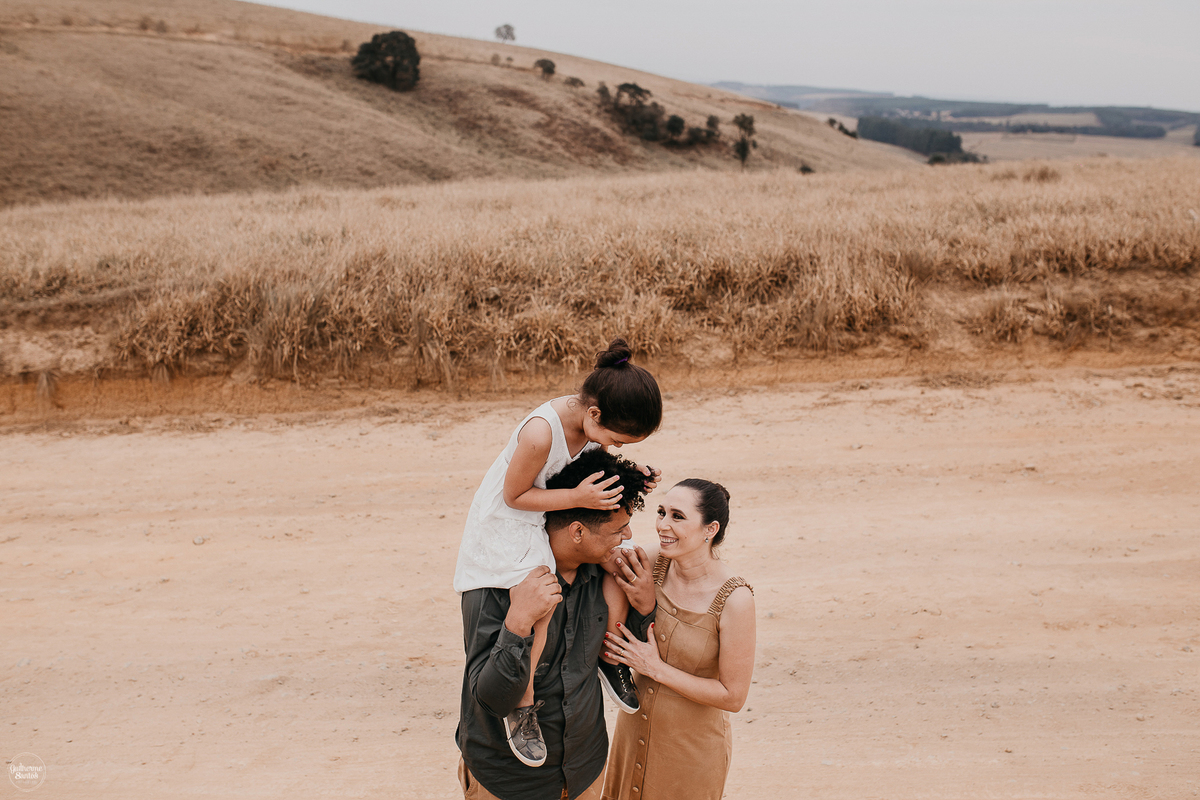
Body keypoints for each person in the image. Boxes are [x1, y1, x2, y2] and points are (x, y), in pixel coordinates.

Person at [454, 338, 663, 768]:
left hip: (553, 508)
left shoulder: (590, 426)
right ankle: (522, 704)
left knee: (615, 556)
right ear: (594, 415)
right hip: (511, 521)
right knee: (545, 598)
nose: (616, 448)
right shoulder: (540, 433)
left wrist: (634, 476)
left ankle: (608, 654)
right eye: (616, 440)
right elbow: (513, 496)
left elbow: (591, 468)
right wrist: (577, 497)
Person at [457, 449, 658, 800]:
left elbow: (636, 651)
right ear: (578, 531)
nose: (627, 536)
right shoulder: (496, 587)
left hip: (586, 770)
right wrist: (518, 623)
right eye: (617, 529)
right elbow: (491, 700)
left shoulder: (606, 573)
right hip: (508, 782)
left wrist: (644, 605)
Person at [600, 479, 756, 800]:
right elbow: (601, 554)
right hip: (631, 737)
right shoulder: (654, 561)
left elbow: (733, 697)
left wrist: (656, 669)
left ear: (710, 529)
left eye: (677, 516)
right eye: (661, 512)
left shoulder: (735, 599)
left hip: (690, 755)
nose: (662, 525)